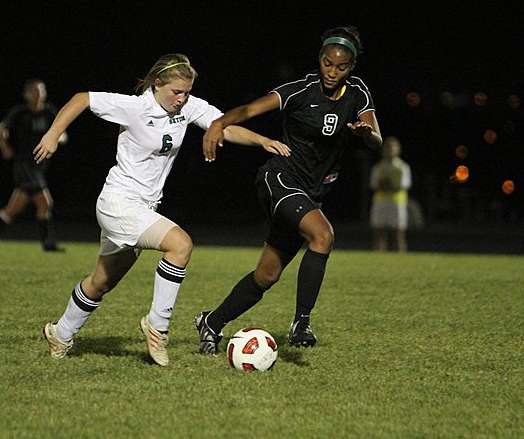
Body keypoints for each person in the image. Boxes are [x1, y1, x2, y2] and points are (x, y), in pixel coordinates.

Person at [33, 53, 288, 366]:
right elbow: (81, 98)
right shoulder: (136, 107)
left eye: (186, 92)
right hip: (119, 202)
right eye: (176, 92)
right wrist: (52, 134)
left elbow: (222, 126)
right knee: (180, 245)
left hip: (143, 207)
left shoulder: (187, 106)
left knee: (102, 281)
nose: (181, 99)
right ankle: (158, 327)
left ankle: (61, 332)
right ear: (157, 84)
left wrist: (262, 140)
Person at [195, 26, 382, 355]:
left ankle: (211, 322)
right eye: (327, 63)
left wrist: (366, 133)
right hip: (280, 180)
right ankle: (302, 323)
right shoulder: (302, 90)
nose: (332, 72)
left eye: (340, 67)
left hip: (310, 193)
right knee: (323, 235)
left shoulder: (358, 93)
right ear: (320, 59)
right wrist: (219, 123)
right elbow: (252, 109)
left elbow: (376, 137)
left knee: (266, 276)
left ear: (351, 67)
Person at [0, 78, 67, 251]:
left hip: (39, 167)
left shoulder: (49, 112)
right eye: (34, 90)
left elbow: (61, 132)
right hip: (25, 165)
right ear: (26, 94)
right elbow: (2, 130)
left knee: (12, 209)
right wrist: (5, 147)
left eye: (41, 90)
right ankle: (48, 244)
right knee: (45, 203)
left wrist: (59, 138)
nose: (38, 93)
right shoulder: (19, 112)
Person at [369, 136, 411, 252]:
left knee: (398, 233)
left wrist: (386, 185)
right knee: (379, 233)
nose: (390, 150)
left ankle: (401, 259)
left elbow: (402, 186)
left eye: (392, 148)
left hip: (397, 203)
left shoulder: (403, 168)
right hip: (380, 203)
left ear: (398, 149)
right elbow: (374, 185)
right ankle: (378, 258)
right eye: (387, 148)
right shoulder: (378, 167)